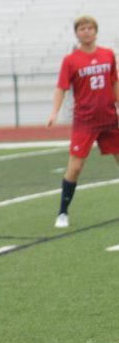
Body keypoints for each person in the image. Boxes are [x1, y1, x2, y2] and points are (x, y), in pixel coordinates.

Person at [46, 15, 119, 228]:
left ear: (95, 31)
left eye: (89, 28)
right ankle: (62, 212)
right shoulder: (71, 60)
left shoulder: (108, 54)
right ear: (77, 33)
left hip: (109, 118)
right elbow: (61, 87)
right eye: (82, 28)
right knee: (75, 167)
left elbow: (114, 82)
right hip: (85, 121)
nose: (86, 31)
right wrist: (54, 112)